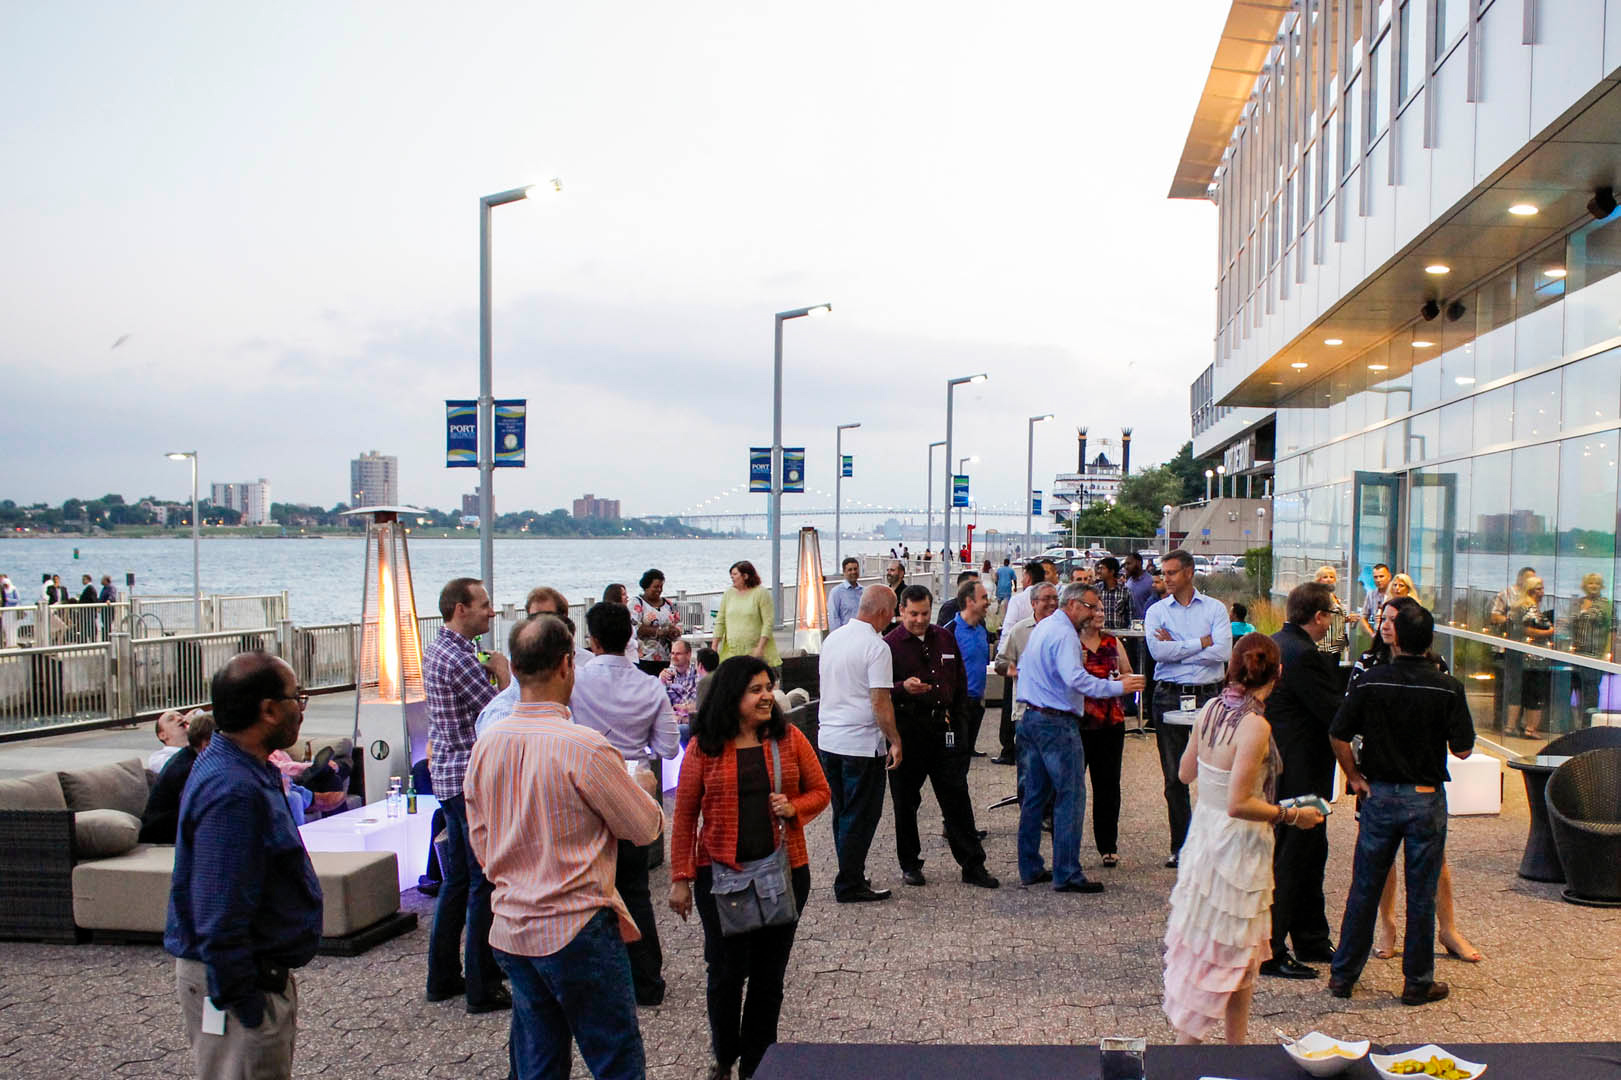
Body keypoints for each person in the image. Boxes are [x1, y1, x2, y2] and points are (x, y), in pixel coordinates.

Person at [465, 615, 663, 1080]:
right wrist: (644, 789)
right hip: (576, 925)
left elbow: (480, 840)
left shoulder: (486, 745)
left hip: (512, 925)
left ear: (514, 668)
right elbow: (643, 828)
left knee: (539, 1060)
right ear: (566, 665)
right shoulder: (583, 747)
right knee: (615, 1059)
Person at [669, 656, 831, 1080]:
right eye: (755, 689)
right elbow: (684, 816)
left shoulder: (788, 738)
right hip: (720, 878)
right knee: (725, 974)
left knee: (768, 976)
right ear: (731, 695)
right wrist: (681, 878)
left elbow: (820, 791)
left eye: (768, 688)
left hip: (784, 873)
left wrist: (793, 807)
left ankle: (758, 1065)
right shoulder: (705, 746)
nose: (766, 697)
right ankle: (725, 1057)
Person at [1162, 633, 1325, 1045]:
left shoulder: (1211, 709)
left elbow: (1185, 773)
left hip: (1204, 836)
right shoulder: (1255, 725)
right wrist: (1292, 815)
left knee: (1234, 956)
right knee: (1222, 957)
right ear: (1278, 673)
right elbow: (1239, 804)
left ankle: (1236, 1051)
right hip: (1236, 847)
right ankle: (1183, 1057)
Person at [165, 652, 321, 1080]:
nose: (301, 710)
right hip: (241, 988)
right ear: (268, 710)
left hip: (252, 978)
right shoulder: (232, 790)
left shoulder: (242, 767)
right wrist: (249, 1009)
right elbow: (219, 913)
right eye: (296, 699)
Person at [1328, 597, 1476, 1006]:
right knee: (1421, 891)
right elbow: (1463, 749)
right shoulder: (1447, 686)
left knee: (1365, 887)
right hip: (1425, 796)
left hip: (1378, 794)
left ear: (1397, 639)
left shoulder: (1371, 680)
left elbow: (1338, 733)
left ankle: (1343, 975)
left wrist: (1354, 776)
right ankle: (1417, 981)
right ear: (1428, 640)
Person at [565, 601, 679, 1005]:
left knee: (588, 890)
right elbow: (668, 746)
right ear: (630, 637)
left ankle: (597, 981)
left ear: (591, 640)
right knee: (635, 888)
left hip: (585, 790)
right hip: (633, 788)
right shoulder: (649, 686)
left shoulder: (575, 682)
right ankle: (646, 981)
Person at [1014, 583, 1145, 892]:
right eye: (1090, 606)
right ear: (1072, 604)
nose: (1094, 612)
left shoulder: (1045, 627)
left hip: (1032, 717)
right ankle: (1067, 872)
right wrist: (1118, 688)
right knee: (1070, 797)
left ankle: (1030, 866)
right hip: (1056, 723)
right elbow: (1076, 679)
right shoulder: (1064, 635)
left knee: (1035, 797)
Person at [423, 577, 512, 1014]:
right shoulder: (460, 660)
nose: (491, 612)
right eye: (484, 604)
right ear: (461, 609)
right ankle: (482, 984)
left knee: (457, 881)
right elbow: (501, 713)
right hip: (467, 779)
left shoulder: (437, 650)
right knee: (482, 882)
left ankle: (442, 976)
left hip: (446, 774)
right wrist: (504, 673)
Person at [885, 585, 1000, 890]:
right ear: (901, 611)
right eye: (913, 614)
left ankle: (973, 864)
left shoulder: (945, 637)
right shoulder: (890, 645)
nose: (920, 620)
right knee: (905, 801)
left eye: (925, 613)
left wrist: (960, 725)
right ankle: (910, 863)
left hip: (944, 730)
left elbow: (959, 682)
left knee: (956, 796)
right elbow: (878, 691)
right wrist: (902, 688)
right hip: (908, 730)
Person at [1258, 583, 1340, 981]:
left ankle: (1311, 937)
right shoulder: (1304, 655)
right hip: (1301, 771)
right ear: (1319, 617)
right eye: (1331, 615)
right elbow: (1333, 712)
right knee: (1294, 860)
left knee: (1309, 855)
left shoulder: (1276, 643)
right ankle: (1272, 947)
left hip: (1285, 767)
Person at [1145, 549, 1234, 869]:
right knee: (1174, 777)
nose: (1165, 578)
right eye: (1163, 573)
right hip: (1169, 695)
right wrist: (1200, 642)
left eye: (1171, 572)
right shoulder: (1157, 612)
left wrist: (1179, 646)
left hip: (1209, 697)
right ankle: (1181, 846)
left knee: (1217, 773)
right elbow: (1158, 652)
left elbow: (1223, 651)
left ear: (1188, 572)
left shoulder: (1214, 608)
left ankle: (1215, 846)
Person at [816, 586, 902, 902]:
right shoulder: (876, 647)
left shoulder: (833, 639)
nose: (892, 619)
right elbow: (880, 700)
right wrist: (895, 739)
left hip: (829, 738)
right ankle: (849, 882)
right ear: (882, 612)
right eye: (892, 612)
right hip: (861, 743)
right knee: (861, 815)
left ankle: (850, 872)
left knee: (842, 812)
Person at [477, 587, 592, 736]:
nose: (539, 625)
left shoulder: (588, 663)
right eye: (533, 618)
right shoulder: (500, 716)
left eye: (547, 617)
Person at [1075, 585, 1131, 868]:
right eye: (1094, 609)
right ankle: (1068, 846)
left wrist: (1121, 682)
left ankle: (1108, 845)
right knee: (1073, 787)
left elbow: (1128, 674)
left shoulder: (1113, 642)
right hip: (1080, 724)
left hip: (1111, 723)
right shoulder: (1072, 642)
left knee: (1108, 786)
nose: (1100, 613)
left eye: (1101, 610)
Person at [993, 582, 1060, 765]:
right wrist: (1011, 669)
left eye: (1055, 598)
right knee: (1028, 769)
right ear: (1033, 603)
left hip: (1060, 713)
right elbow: (1000, 662)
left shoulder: (1067, 629)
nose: (1052, 603)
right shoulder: (1019, 631)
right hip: (1026, 712)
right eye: (1046, 599)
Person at [141, 712, 215, 844]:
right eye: (171, 719)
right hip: (163, 830)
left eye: (181, 715)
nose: (179, 718)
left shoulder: (190, 756)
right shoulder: (172, 762)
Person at [1507, 574, 1554, 738]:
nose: (1542, 592)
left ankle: (1511, 726)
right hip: (1533, 658)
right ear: (1532, 590)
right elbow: (1527, 629)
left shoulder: (1520, 606)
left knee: (1518, 692)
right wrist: (1549, 631)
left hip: (1522, 655)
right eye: (1539, 589)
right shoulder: (1530, 608)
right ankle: (1530, 728)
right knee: (1534, 693)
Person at [713, 560, 779, 666]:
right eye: (731, 575)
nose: (732, 577)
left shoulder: (761, 593)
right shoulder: (728, 594)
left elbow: (768, 622)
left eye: (735, 574)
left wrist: (760, 647)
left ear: (745, 576)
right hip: (732, 653)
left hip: (755, 652)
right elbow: (720, 621)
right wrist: (714, 646)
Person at [1569, 572, 1613, 718]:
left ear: (1602, 586)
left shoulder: (1605, 604)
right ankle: (1572, 724)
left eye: (1597, 583)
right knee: (1573, 688)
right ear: (1585, 585)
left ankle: (1588, 724)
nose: (1594, 586)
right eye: (1591, 583)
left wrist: (1607, 653)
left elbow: (1612, 629)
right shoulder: (1578, 602)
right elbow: (1569, 623)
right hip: (1575, 655)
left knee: (1590, 691)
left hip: (1594, 655)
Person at [628, 568, 684, 673]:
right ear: (646, 587)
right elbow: (633, 627)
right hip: (644, 658)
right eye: (656, 587)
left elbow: (678, 623)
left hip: (666, 658)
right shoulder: (636, 603)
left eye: (661, 586)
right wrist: (659, 631)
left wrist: (675, 631)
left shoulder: (669, 604)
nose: (659, 590)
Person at [1313, 566, 1351, 661]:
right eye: (1325, 577)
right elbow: (1321, 616)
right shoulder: (1319, 596)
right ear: (1319, 580)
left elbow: (1336, 616)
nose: (1329, 579)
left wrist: (1347, 619)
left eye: (1331, 577)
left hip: (1336, 643)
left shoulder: (1333, 596)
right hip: (1325, 644)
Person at [662, 638, 701, 724]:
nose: (674, 657)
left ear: (688, 655)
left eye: (678, 654)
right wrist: (661, 681)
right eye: (672, 653)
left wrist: (681, 716)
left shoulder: (697, 673)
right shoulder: (666, 674)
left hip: (690, 721)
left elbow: (700, 705)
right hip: (670, 721)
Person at [1356, 562, 1392, 640]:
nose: (1378, 580)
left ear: (1389, 576)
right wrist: (1372, 634)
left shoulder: (1394, 593)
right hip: (1378, 636)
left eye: (1381, 576)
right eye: (1376, 577)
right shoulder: (1371, 595)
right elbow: (1363, 617)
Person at [827, 556, 864, 633]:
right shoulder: (836, 592)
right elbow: (834, 618)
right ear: (844, 572)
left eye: (855, 569)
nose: (853, 572)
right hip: (845, 634)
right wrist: (838, 636)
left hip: (861, 633)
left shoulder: (864, 591)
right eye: (850, 570)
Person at [149, 708, 191, 776]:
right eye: (171, 719)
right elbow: (178, 769)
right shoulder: (158, 758)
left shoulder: (203, 745)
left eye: (182, 716)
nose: (179, 718)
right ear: (163, 735)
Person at [1093, 557, 1130, 632]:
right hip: (1100, 633)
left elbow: (1130, 614)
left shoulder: (1125, 591)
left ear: (1111, 572)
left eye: (1102, 568)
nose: (1099, 571)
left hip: (1120, 634)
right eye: (1099, 568)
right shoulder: (1096, 590)